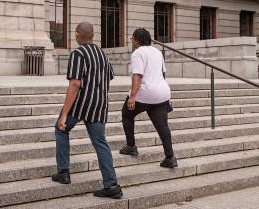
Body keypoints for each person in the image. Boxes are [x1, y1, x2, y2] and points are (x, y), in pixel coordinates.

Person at [52, 22, 123, 199]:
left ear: (77, 35)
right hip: (99, 105)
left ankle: (63, 172)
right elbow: (110, 77)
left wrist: (64, 114)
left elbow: (75, 83)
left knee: (61, 129)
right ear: (93, 35)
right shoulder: (102, 54)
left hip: (80, 104)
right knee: (101, 143)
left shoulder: (78, 53)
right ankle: (112, 184)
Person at [119, 28, 177, 168]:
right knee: (162, 126)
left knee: (126, 114)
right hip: (162, 92)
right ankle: (170, 157)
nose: (131, 40)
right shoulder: (157, 51)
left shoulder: (138, 53)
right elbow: (163, 74)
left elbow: (137, 76)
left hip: (145, 93)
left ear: (137, 39)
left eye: (132, 38)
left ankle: (131, 146)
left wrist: (132, 97)